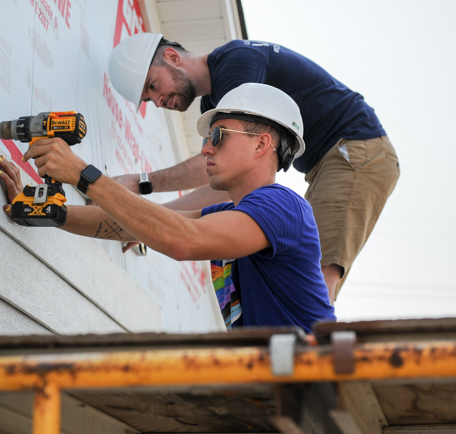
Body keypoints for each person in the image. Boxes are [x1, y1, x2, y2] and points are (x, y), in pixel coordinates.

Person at [0, 83, 335, 332]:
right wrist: (48, 212)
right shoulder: (231, 218)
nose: (205, 150)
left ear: (262, 144)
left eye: (217, 137)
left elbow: (182, 239)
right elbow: (131, 225)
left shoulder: (284, 207)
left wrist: (84, 176)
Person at [108, 33, 400, 302]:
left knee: (317, 274)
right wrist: (153, 217)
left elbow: (212, 165)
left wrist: (140, 182)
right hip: (333, 161)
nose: (157, 101)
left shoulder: (237, 62)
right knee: (300, 271)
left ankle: (310, 357)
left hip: (356, 150)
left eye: (153, 85)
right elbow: (222, 184)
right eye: (149, 99)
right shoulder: (216, 102)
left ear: (172, 57)